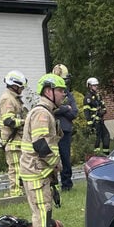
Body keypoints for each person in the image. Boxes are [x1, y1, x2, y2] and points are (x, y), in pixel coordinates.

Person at [19, 73, 70, 227]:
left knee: (45, 210)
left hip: (39, 171)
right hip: (36, 171)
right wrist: (56, 164)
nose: (63, 94)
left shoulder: (46, 112)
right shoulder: (41, 113)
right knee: (41, 212)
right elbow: (40, 144)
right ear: (49, 91)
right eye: (60, 90)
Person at [0, 70, 28, 197]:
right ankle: (16, 193)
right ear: (14, 85)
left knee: (21, 168)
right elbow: (8, 120)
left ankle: (21, 191)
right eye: (20, 87)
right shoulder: (7, 99)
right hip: (12, 141)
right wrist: (24, 122)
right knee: (15, 169)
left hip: (18, 140)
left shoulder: (14, 99)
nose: (22, 89)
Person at [51, 64, 78, 192]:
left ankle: (67, 185)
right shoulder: (51, 95)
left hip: (65, 131)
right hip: (52, 131)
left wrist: (60, 110)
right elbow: (50, 109)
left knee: (65, 158)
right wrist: (65, 108)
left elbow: (74, 113)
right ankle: (53, 184)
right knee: (52, 158)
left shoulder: (68, 95)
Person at [83, 77, 110, 156]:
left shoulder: (98, 96)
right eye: (94, 85)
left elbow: (104, 108)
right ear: (90, 86)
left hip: (101, 121)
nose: (96, 87)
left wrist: (102, 112)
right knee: (96, 139)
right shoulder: (87, 98)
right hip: (94, 122)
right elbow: (86, 111)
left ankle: (106, 154)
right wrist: (90, 123)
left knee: (106, 136)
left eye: (96, 85)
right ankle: (96, 155)